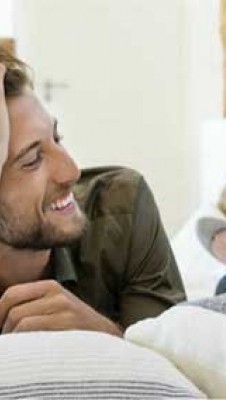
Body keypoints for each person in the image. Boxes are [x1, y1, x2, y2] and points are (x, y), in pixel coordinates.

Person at [0, 48, 186, 336]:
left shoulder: (120, 207)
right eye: (32, 160)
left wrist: (104, 334)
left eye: (56, 138)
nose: (71, 171)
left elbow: (176, 354)